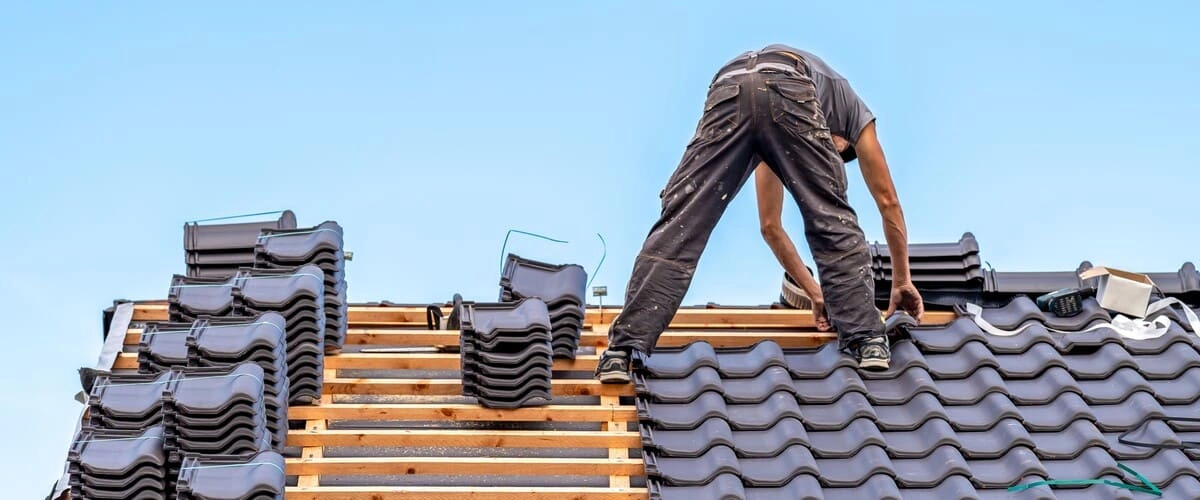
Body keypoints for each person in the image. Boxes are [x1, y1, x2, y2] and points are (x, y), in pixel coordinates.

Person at [594, 44, 924, 384]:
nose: (832, 152)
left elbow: (770, 226)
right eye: (835, 151)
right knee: (830, 215)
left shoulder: (780, 132)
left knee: (681, 222)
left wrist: (815, 292)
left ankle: (621, 351)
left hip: (729, 89)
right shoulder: (854, 114)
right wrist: (901, 280)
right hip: (787, 83)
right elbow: (888, 202)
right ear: (840, 139)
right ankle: (868, 339)